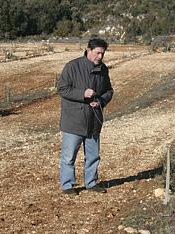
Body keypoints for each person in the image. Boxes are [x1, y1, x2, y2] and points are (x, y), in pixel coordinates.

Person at [57, 38, 113, 195]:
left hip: (94, 120)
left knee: (93, 155)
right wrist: (83, 94)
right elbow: (62, 89)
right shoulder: (72, 66)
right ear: (88, 50)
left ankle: (91, 183)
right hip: (74, 121)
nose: (100, 57)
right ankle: (68, 185)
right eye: (97, 53)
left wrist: (101, 101)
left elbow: (109, 91)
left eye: (102, 53)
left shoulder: (103, 70)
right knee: (68, 157)